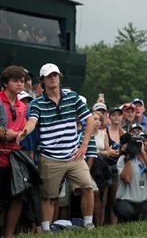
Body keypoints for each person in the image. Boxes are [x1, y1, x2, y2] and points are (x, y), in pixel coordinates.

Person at [17, 63, 96, 231]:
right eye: (49, 76)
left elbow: (89, 120)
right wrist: (24, 131)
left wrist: (84, 145)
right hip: (50, 157)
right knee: (48, 197)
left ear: (59, 77)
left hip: (74, 155)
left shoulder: (73, 97)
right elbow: (32, 122)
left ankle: (89, 224)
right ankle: (46, 230)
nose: (53, 78)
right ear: (43, 81)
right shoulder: (37, 103)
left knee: (87, 187)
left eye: (55, 75)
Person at [0, 65, 28, 238]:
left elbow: (23, 129)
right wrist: (5, 134)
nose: (19, 84)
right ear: (5, 83)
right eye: (15, 81)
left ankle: (9, 234)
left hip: (16, 158)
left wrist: (18, 135)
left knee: (18, 197)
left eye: (22, 81)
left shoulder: (22, 106)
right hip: (0, 157)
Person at [115, 133, 147, 222]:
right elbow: (127, 179)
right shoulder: (123, 159)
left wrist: (143, 153)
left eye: (142, 143)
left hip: (142, 203)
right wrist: (128, 155)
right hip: (124, 201)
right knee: (126, 212)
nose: (138, 146)